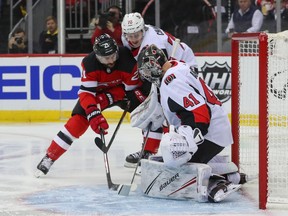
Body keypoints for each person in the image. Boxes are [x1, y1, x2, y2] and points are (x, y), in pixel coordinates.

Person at [135, 44, 245, 202]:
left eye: (146, 70)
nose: (146, 76)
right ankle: (232, 176)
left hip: (209, 131)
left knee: (177, 165)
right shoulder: (176, 66)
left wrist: (189, 141)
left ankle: (217, 183)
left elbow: (200, 112)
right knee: (175, 160)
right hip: (215, 127)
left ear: (154, 65)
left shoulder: (171, 81)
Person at [35, 34, 140, 177]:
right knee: (77, 123)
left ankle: (148, 153)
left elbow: (131, 90)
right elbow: (86, 93)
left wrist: (108, 97)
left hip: (122, 93)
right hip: (96, 95)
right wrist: (93, 113)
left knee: (146, 112)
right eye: (105, 58)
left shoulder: (127, 59)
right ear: (97, 56)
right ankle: (50, 157)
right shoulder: (89, 63)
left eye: (113, 56)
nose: (110, 61)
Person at [120, 12, 198, 168]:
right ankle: (150, 150)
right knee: (154, 107)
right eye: (130, 35)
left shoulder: (154, 42)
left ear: (143, 30)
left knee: (166, 108)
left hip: (184, 67)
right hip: (166, 67)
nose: (133, 39)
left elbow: (159, 68)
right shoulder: (127, 37)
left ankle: (181, 148)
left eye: (137, 34)